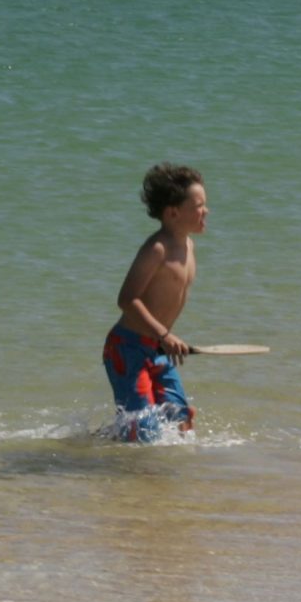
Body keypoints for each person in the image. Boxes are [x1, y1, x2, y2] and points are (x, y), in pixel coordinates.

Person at [103, 163, 208, 442]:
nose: (205, 211)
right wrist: (165, 333)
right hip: (127, 348)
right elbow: (126, 299)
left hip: (158, 348)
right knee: (143, 430)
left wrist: (163, 339)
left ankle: (107, 442)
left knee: (181, 421)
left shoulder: (189, 246)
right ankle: (129, 468)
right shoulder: (157, 249)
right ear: (173, 212)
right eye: (198, 206)